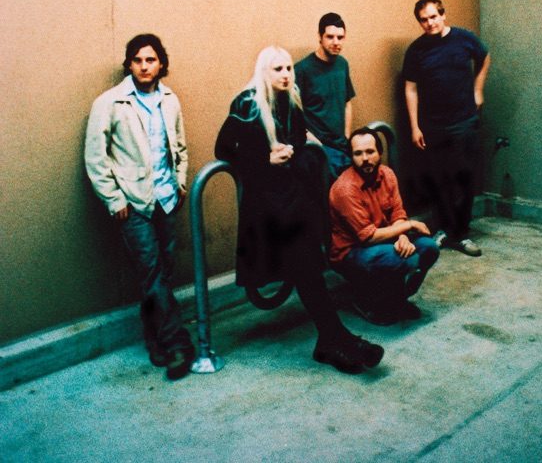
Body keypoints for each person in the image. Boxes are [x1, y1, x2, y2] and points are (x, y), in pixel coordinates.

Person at [215, 46, 383, 374]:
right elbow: (223, 149)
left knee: (309, 270)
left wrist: (304, 153)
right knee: (306, 270)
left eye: (289, 68)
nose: (285, 74)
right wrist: (264, 158)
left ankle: (334, 340)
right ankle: (338, 340)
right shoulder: (247, 103)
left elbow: (300, 140)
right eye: (278, 69)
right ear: (264, 71)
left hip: (292, 199)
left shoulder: (291, 99)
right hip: (267, 207)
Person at [85, 34, 195, 380]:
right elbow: (95, 156)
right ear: (129, 64)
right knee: (152, 272)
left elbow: (179, 145)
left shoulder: (169, 100)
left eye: (150, 60)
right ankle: (177, 344)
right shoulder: (111, 102)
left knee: (161, 273)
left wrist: (179, 181)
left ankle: (155, 339)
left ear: (161, 63)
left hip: (166, 199)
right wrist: (114, 198)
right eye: (137, 60)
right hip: (133, 203)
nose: (144, 66)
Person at [403, 0, 491, 256]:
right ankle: (443, 230)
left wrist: (478, 90)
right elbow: (410, 89)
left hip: (463, 121)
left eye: (433, 17)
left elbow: (485, 57)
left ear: (443, 15)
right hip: (433, 126)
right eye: (424, 20)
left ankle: (461, 235)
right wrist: (415, 127)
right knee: (439, 179)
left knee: (463, 178)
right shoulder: (416, 50)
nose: (430, 23)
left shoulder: (464, 38)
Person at [329, 128, 440, 326]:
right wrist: (409, 226)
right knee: (405, 258)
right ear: (351, 157)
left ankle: (397, 299)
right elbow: (367, 237)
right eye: (358, 153)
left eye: (370, 151)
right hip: (352, 252)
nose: (365, 158)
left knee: (429, 247)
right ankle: (364, 299)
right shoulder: (345, 189)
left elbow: (398, 214)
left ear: (379, 152)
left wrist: (403, 237)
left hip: (385, 239)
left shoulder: (387, 175)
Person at [295, 12, 355, 180]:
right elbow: (294, 116)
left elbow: (347, 103)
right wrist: (316, 146)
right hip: (317, 149)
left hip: (342, 147)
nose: (336, 42)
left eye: (340, 37)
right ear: (319, 36)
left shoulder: (342, 64)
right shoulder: (302, 70)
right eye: (330, 37)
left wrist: (347, 137)